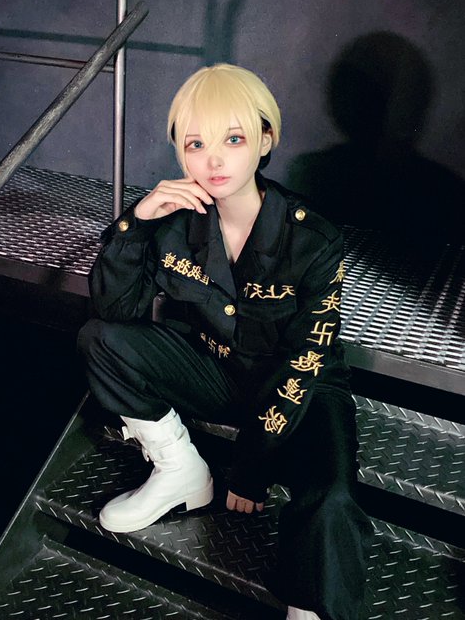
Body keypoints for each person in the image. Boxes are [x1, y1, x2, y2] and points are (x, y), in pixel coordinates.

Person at [78, 63, 374, 620]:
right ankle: (180, 472)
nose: (213, 161)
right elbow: (115, 315)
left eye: (233, 139)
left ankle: (309, 607)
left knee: (332, 499)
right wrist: (135, 224)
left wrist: (251, 467)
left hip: (302, 391)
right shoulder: (174, 222)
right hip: (217, 373)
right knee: (100, 340)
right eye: (196, 144)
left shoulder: (314, 239)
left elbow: (304, 362)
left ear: (265, 139)